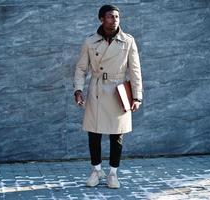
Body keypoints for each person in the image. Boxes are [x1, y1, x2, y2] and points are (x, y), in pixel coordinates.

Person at [73, 4, 143, 189]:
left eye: (117, 17)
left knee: (116, 135)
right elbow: (81, 68)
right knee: (94, 134)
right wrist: (78, 89)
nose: (115, 20)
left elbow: (135, 71)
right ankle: (96, 170)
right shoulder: (90, 41)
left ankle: (113, 173)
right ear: (101, 19)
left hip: (118, 91)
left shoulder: (128, 41)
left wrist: (137, 96)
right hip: (97, 89)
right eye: (111, 16)